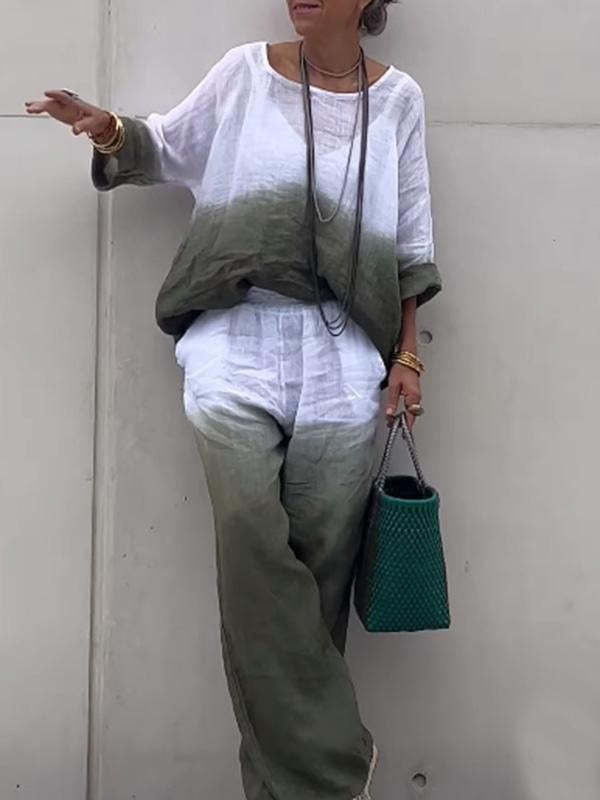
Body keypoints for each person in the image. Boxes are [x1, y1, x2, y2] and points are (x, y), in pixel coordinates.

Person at [26, 0, 442, 797]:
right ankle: (334, 764)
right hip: (234, 340)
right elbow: (165, 146)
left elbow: (413, 241)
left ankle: (287, 788)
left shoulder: (399, 100)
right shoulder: (244, 74)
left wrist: (408, 356)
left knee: (320, 577)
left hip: (344, 352)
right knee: (252, 545)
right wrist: (105, 127)